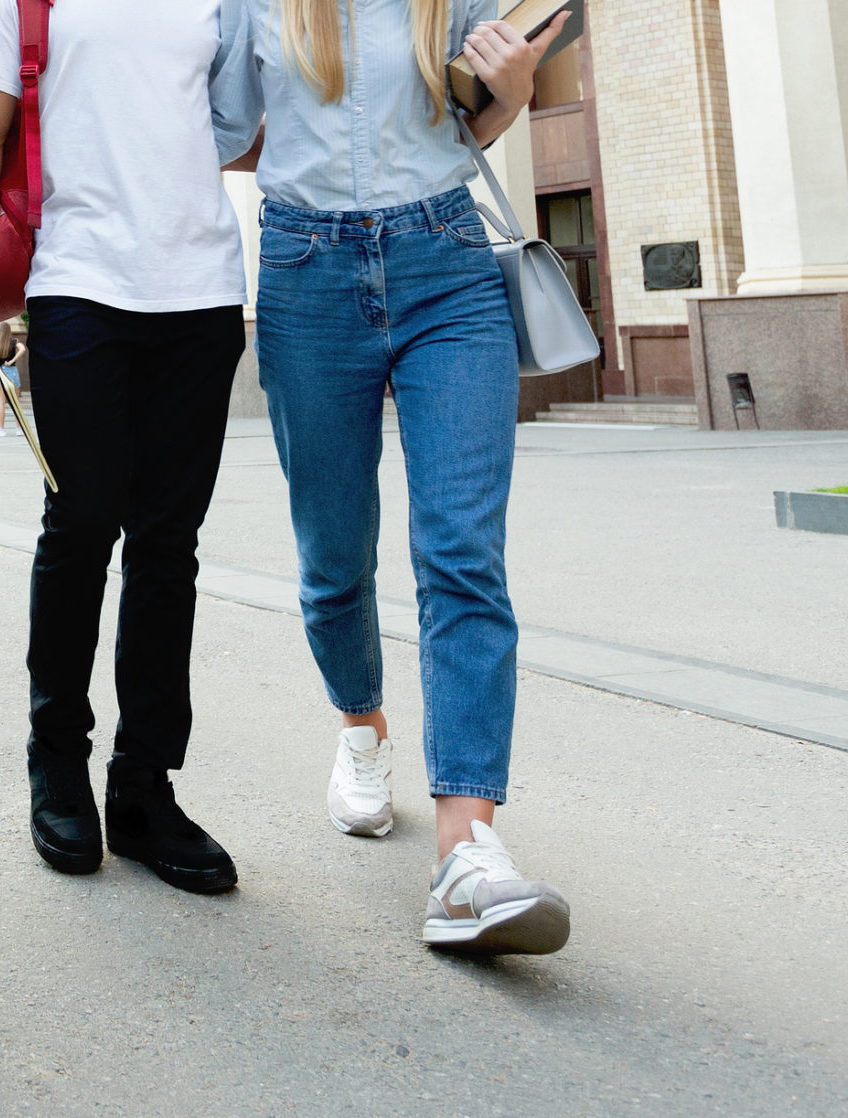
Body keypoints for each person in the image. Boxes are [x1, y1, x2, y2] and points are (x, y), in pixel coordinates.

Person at [213, 0, 573, 954]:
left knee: (460, 547)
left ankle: (468, 851)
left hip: (446, 262)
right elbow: (216, 129)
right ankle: (362, 726)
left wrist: (517, 89)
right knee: (333, 554)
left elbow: (472, 119)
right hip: (304, 265)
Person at [0, 0, 252, 896]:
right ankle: (58, 764)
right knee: (80, 527)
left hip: (201, 293)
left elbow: (241, 122)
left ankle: (146, 788)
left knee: (169, 546)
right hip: (79, 284)